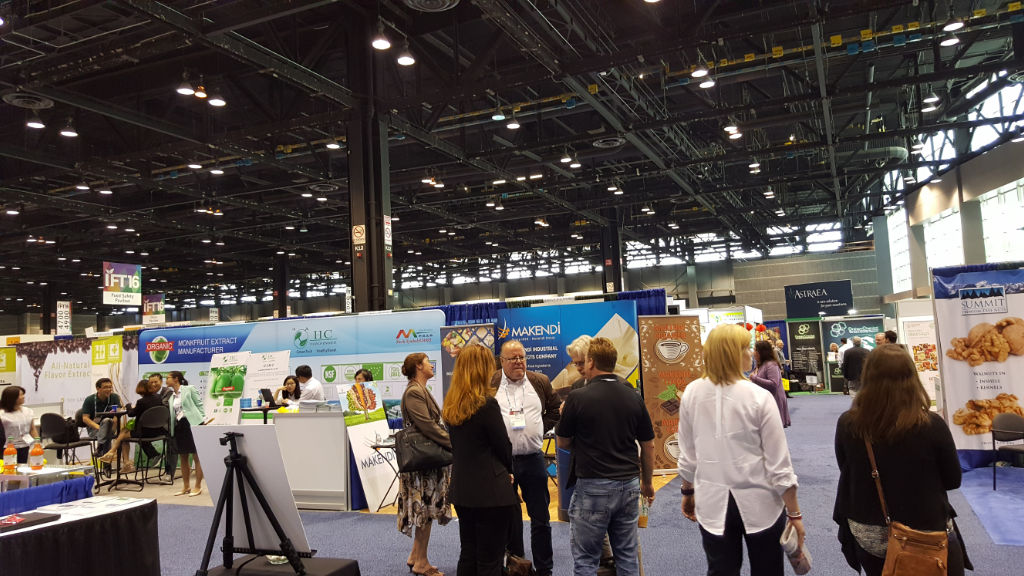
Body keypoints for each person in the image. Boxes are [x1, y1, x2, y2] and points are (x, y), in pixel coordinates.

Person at [677, 324, 804, 576]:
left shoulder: (691, 392)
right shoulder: (758, 396)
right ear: (733, 354)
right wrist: (794, 513)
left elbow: (688, 454)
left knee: (721, 570)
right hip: (761, 502)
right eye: (746, 348)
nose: (751, 353)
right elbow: (779, 463)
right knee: (768, 570)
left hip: (712, 502)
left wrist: (688, 491)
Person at [833, 345, 968, 576]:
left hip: (870, 532)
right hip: (925, 529)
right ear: (911, 377)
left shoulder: (848, 424)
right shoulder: (931, 424)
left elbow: (846, 471)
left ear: (867, 377)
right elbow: (952, 480)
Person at [557, 337, 655, 576]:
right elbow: (649, 444)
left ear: (591, 362)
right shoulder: (633, 395)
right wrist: (648, 483)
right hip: (629, 484)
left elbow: (563, 441)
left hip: (593, 486)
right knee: (627, 556)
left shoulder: (577, 397)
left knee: (586, 560)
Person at [446, 345, 518, 576]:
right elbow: (503, 445)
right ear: (482, 368)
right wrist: (508, 470)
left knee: (468, 553)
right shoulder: (486, 404)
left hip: (462, 490)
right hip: (491, 492)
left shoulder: (452, 405)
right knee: (490, 559)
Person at [490, 340, 560, 576]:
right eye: (513, 358)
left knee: (541, 518)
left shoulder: (539, 381)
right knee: (510, 520)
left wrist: (539, 428)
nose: (519, 362)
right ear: (502, 361)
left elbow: (555, 410)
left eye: (522, 357)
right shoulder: (491, 383)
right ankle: (516, 568)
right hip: (503, 463)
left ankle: (544, 569)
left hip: (533, 459)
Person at [397, 353, 451, 576]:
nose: (432, 366)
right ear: (418, 366)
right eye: (428, 362)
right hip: (422, 466)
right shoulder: (414, 392)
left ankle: (415, 556)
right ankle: (421, 563)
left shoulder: (420, 389)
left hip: (426, 463)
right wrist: (452, 443)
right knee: (425, 512)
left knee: (426, 511)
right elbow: (427, 426)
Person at [98, 379, 168, 473]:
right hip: (160, 430)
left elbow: (131, 414)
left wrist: (128, 406)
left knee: (123, 436)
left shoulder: (141, 402)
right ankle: (124, 461)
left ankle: (113, 453)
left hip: (145, 433)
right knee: (124, 433)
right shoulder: (159, 398)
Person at [167, 371, 206, 497]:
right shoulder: (171, 396)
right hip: (180, 426)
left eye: (168, 378)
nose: (166, 380)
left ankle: (198, 486)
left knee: (196, 456)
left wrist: (202, 420)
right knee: (183, 457)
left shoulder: (189, 389)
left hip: (193, 423)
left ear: (176, 379)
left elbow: (199, 404)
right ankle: (186, 486)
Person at [750, 340, 790, 427]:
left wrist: (754, 378)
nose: (753, 353)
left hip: (774, 400)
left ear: (761, 352)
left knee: (774, 429)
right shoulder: (760, 364)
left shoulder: (771, 365)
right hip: (766, 400)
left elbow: (773, 384)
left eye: (755, 350)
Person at [82, 378, 121, 454]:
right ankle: (104, 455)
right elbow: (85, 418)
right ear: (98, 389)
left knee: (107, 421)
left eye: (110, 387)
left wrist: (110, 429)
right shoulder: (90, 400)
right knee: (106, 432)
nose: (109, 389)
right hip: (94, 429)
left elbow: (117, 415)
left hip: (111, 427)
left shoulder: (114, 397)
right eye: (105, 387)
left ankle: (100, 447)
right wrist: (101, 428)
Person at [0, 386, 38, 463]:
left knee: (22, 467)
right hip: (7, 447)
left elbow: (32, 429)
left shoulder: (28, 411)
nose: (23, 397)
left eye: (23, 394)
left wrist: (37, 443)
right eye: (21, 395)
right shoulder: (2, 414)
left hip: (25, 445)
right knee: (10, 468)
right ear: (12, 398)